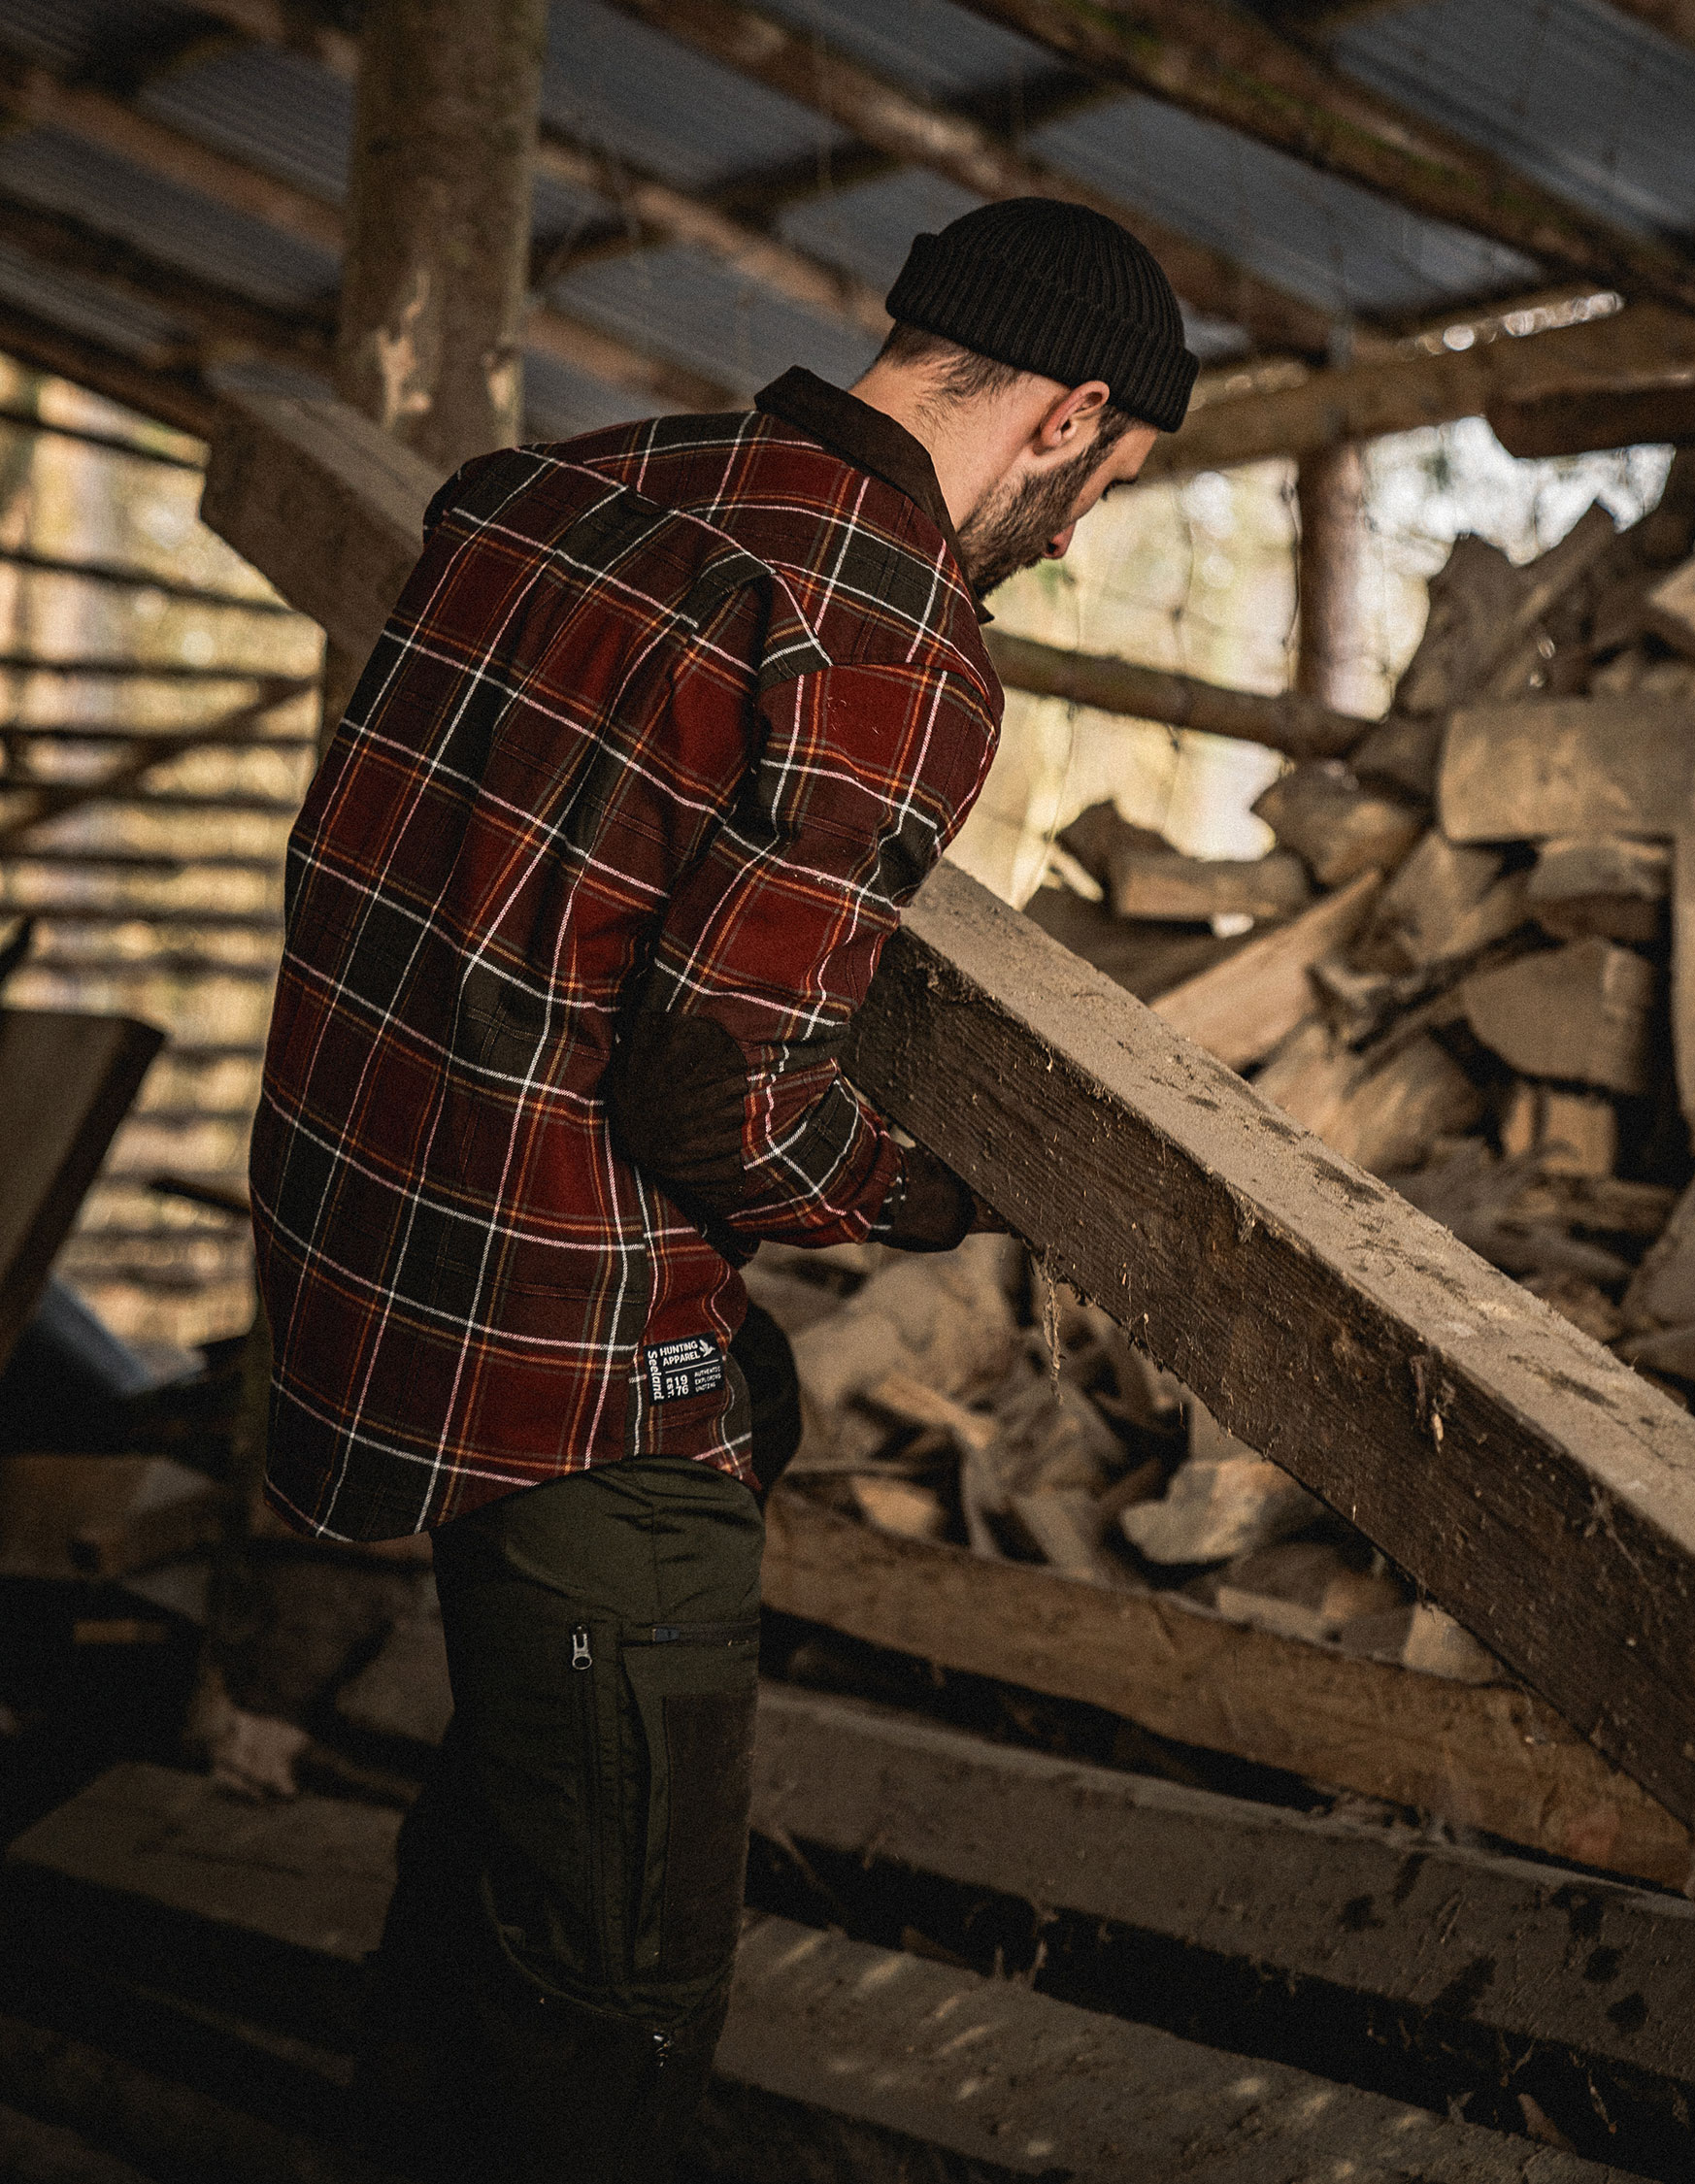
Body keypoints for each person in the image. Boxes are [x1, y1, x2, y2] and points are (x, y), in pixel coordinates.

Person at [248, 196, 1196, 2182]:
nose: (1080, 529)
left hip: (370, 1283)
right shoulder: (885, 634)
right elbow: (720, 1097)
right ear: (1067, 416)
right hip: (572, 1362)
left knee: (508, 1846)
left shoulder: (554, 489)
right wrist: (928, 1195)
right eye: (1104, 478)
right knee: (612, 1981)